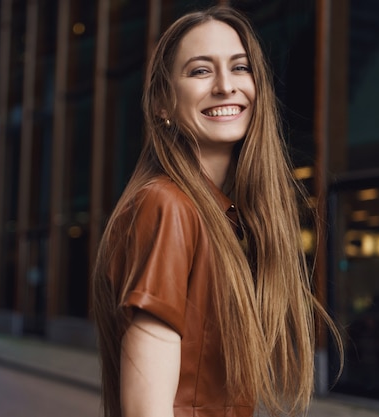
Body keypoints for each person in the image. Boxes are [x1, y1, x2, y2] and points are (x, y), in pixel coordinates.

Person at [91, 5, 342, 417]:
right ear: (161, 103)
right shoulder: (167, 205)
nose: (226, 86)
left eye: (239, 67)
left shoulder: (223, 215)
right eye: (200, 71)